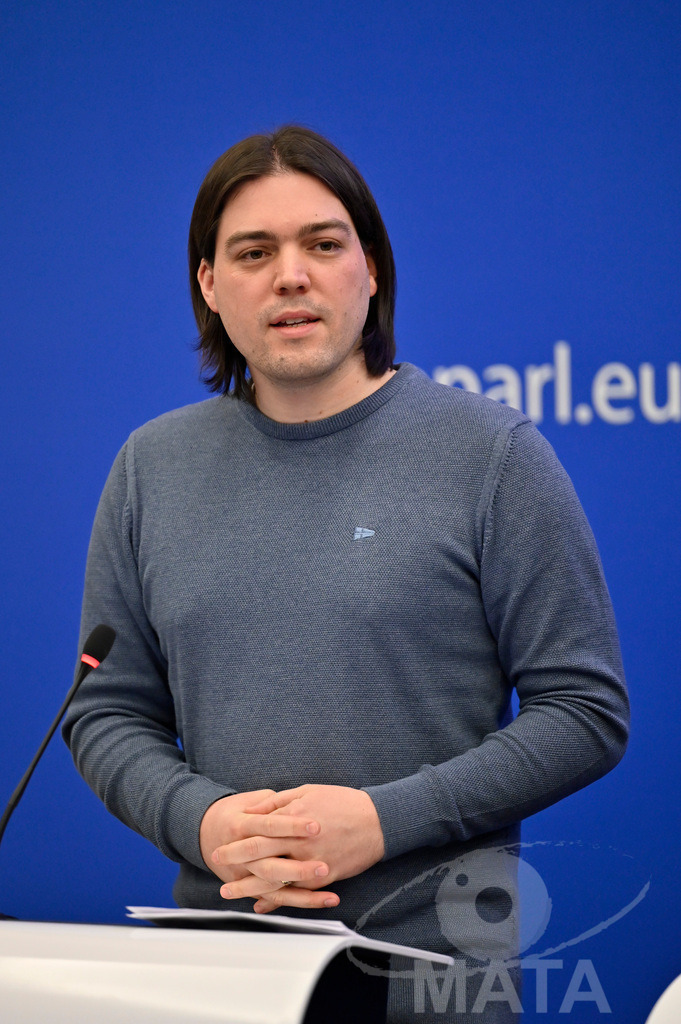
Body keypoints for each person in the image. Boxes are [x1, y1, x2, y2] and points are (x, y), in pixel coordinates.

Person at [63, 125, 629, 1021]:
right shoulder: (150, 468)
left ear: (370, 269)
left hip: (431, 983)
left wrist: (383, 819)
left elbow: (584, 712)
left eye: (323, 245)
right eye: (253, 252)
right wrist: (198, 822)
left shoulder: (491, 456)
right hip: (215, 980)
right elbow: (105, 712)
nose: (291, 276)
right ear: (209, 285)